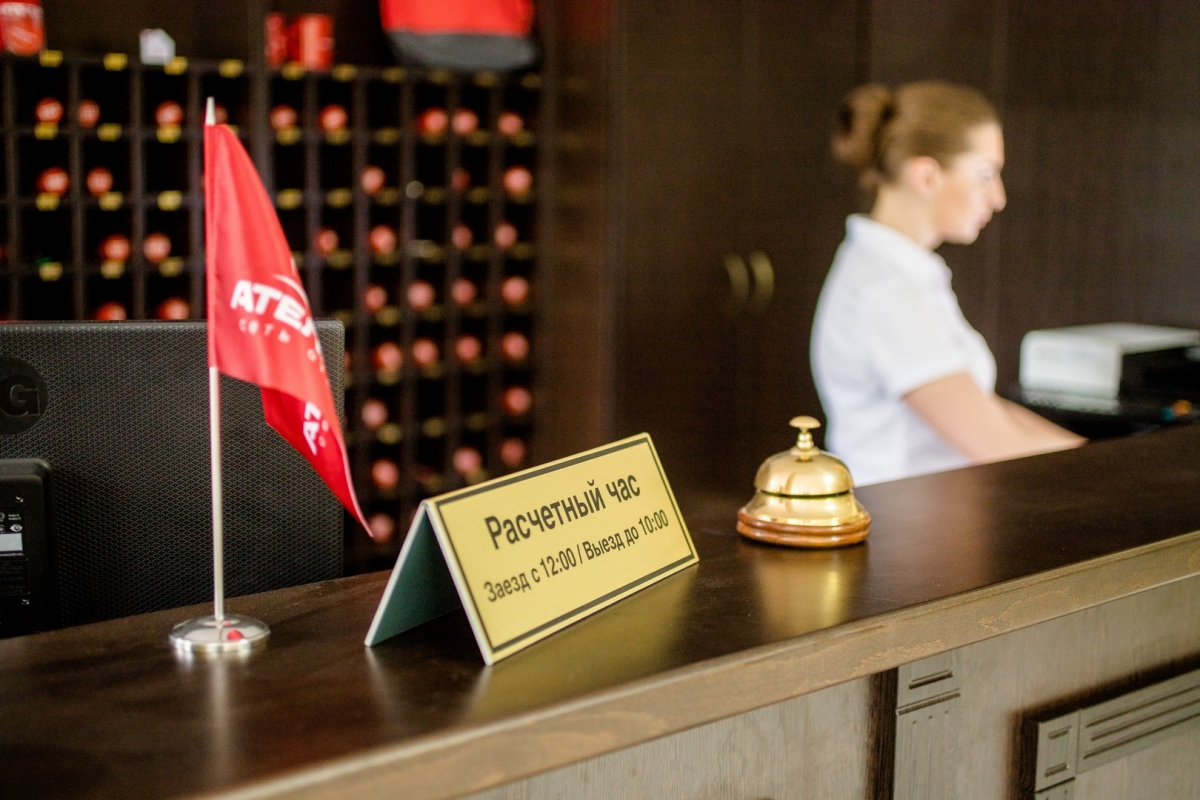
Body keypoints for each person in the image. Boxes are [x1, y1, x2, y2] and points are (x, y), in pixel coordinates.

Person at [811, 80, 1084, 486]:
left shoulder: (904, 275)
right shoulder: (886, 292)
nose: (998, 198)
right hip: (903, 522)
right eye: (986, 175)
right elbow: (995, 443)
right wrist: (1118, 470)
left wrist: (1098, 456)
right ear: (927, 177)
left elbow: (988, 412)